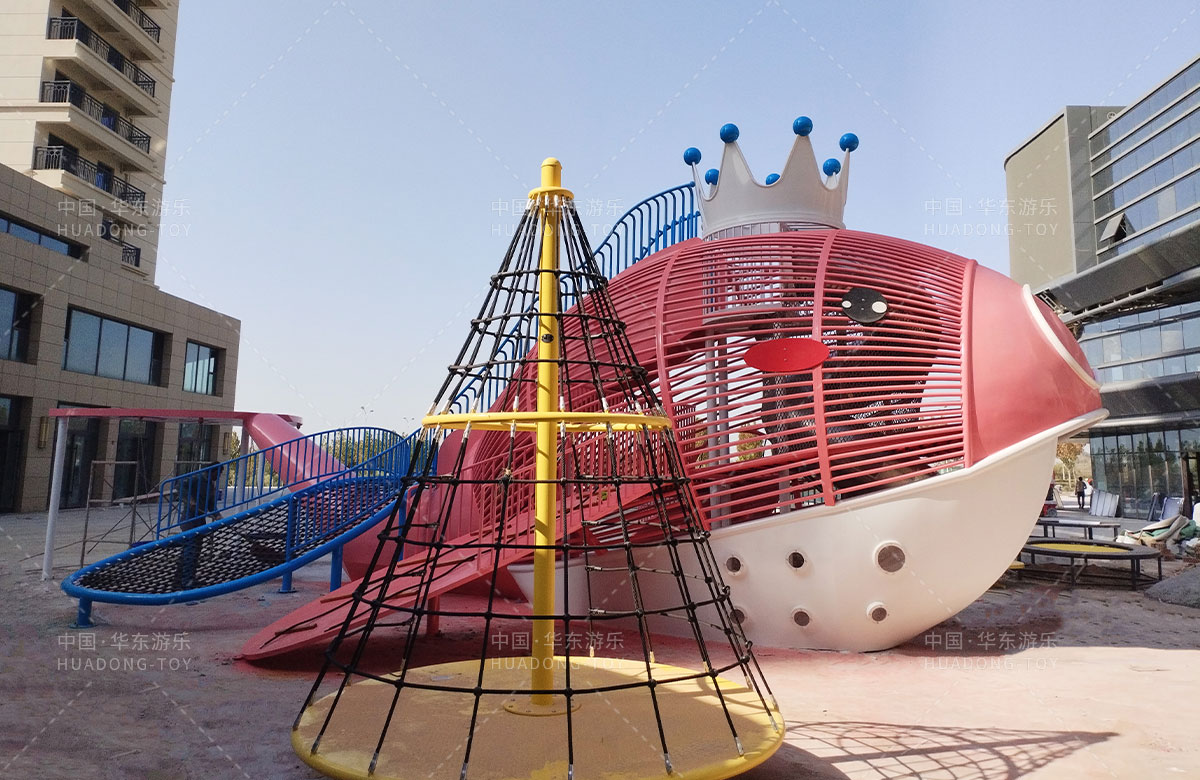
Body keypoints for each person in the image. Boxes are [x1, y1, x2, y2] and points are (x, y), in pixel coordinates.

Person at [175, 462, 224, 589]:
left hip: (199, 519)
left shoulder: (210, 485)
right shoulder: (196, 478)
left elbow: (210, 504)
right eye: (218, 473)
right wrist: (189, 499)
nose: (218, 476)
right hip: (190, 518)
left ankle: (185, 578)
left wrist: (217, 514)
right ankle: (185, 581)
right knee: (190, 549)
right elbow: (180, 485)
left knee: (194, 550)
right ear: (213, 471)